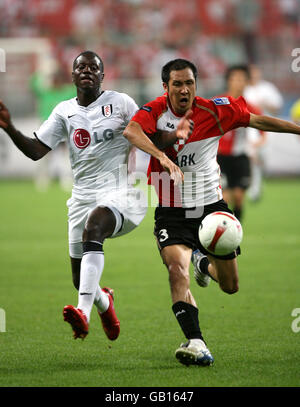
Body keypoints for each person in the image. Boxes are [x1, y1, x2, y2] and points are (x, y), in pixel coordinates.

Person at [123, 58, 300, 366]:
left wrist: (298, 130)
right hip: (171, 211)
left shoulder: (216, 111)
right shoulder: (154, 111)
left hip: (211, 210)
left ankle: (203, 264)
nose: (183, 89)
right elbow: (132, 131)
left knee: (231, 286)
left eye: (189, 83)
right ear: (165, 87)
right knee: (176, 271)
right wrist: (161, 158)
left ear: (196, 85)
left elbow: (258, 121)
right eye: (176, 84)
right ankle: (196, 342)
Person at [0, 51, 180, 342]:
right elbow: (36, 150)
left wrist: (175, 135)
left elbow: (149, 134)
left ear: (102, 75)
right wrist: (9, 128)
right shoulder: (63, 111)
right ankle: (105, 304)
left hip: (120, 193)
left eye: (93, 67)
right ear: (72, 76)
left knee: (94, 227)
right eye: (80, 67)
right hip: (81, 198)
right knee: (79, 278)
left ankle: (83, 313)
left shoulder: (121, 102)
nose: (86, 71)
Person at [217, 64, 266, 222]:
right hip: (219, 158)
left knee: (238, 197)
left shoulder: (251, 108)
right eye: (235, 79)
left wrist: (255, 145)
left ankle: (235, 230)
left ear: (247, 82)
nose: (238, 82)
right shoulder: (216, 104)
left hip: (240, 157)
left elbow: (263, 134)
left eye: (242, 79)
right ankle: (221, 230)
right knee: (224, 199)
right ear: (228, 81)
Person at [244, 64, 283, 201]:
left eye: (256, 73)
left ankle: (258, 182)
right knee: (253, 157)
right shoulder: (244, 89)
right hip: (250, 128)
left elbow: (277, 108)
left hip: (267, 127)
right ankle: (254, 188)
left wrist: (265, 105)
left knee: (262, 158)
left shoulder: (268, 88)